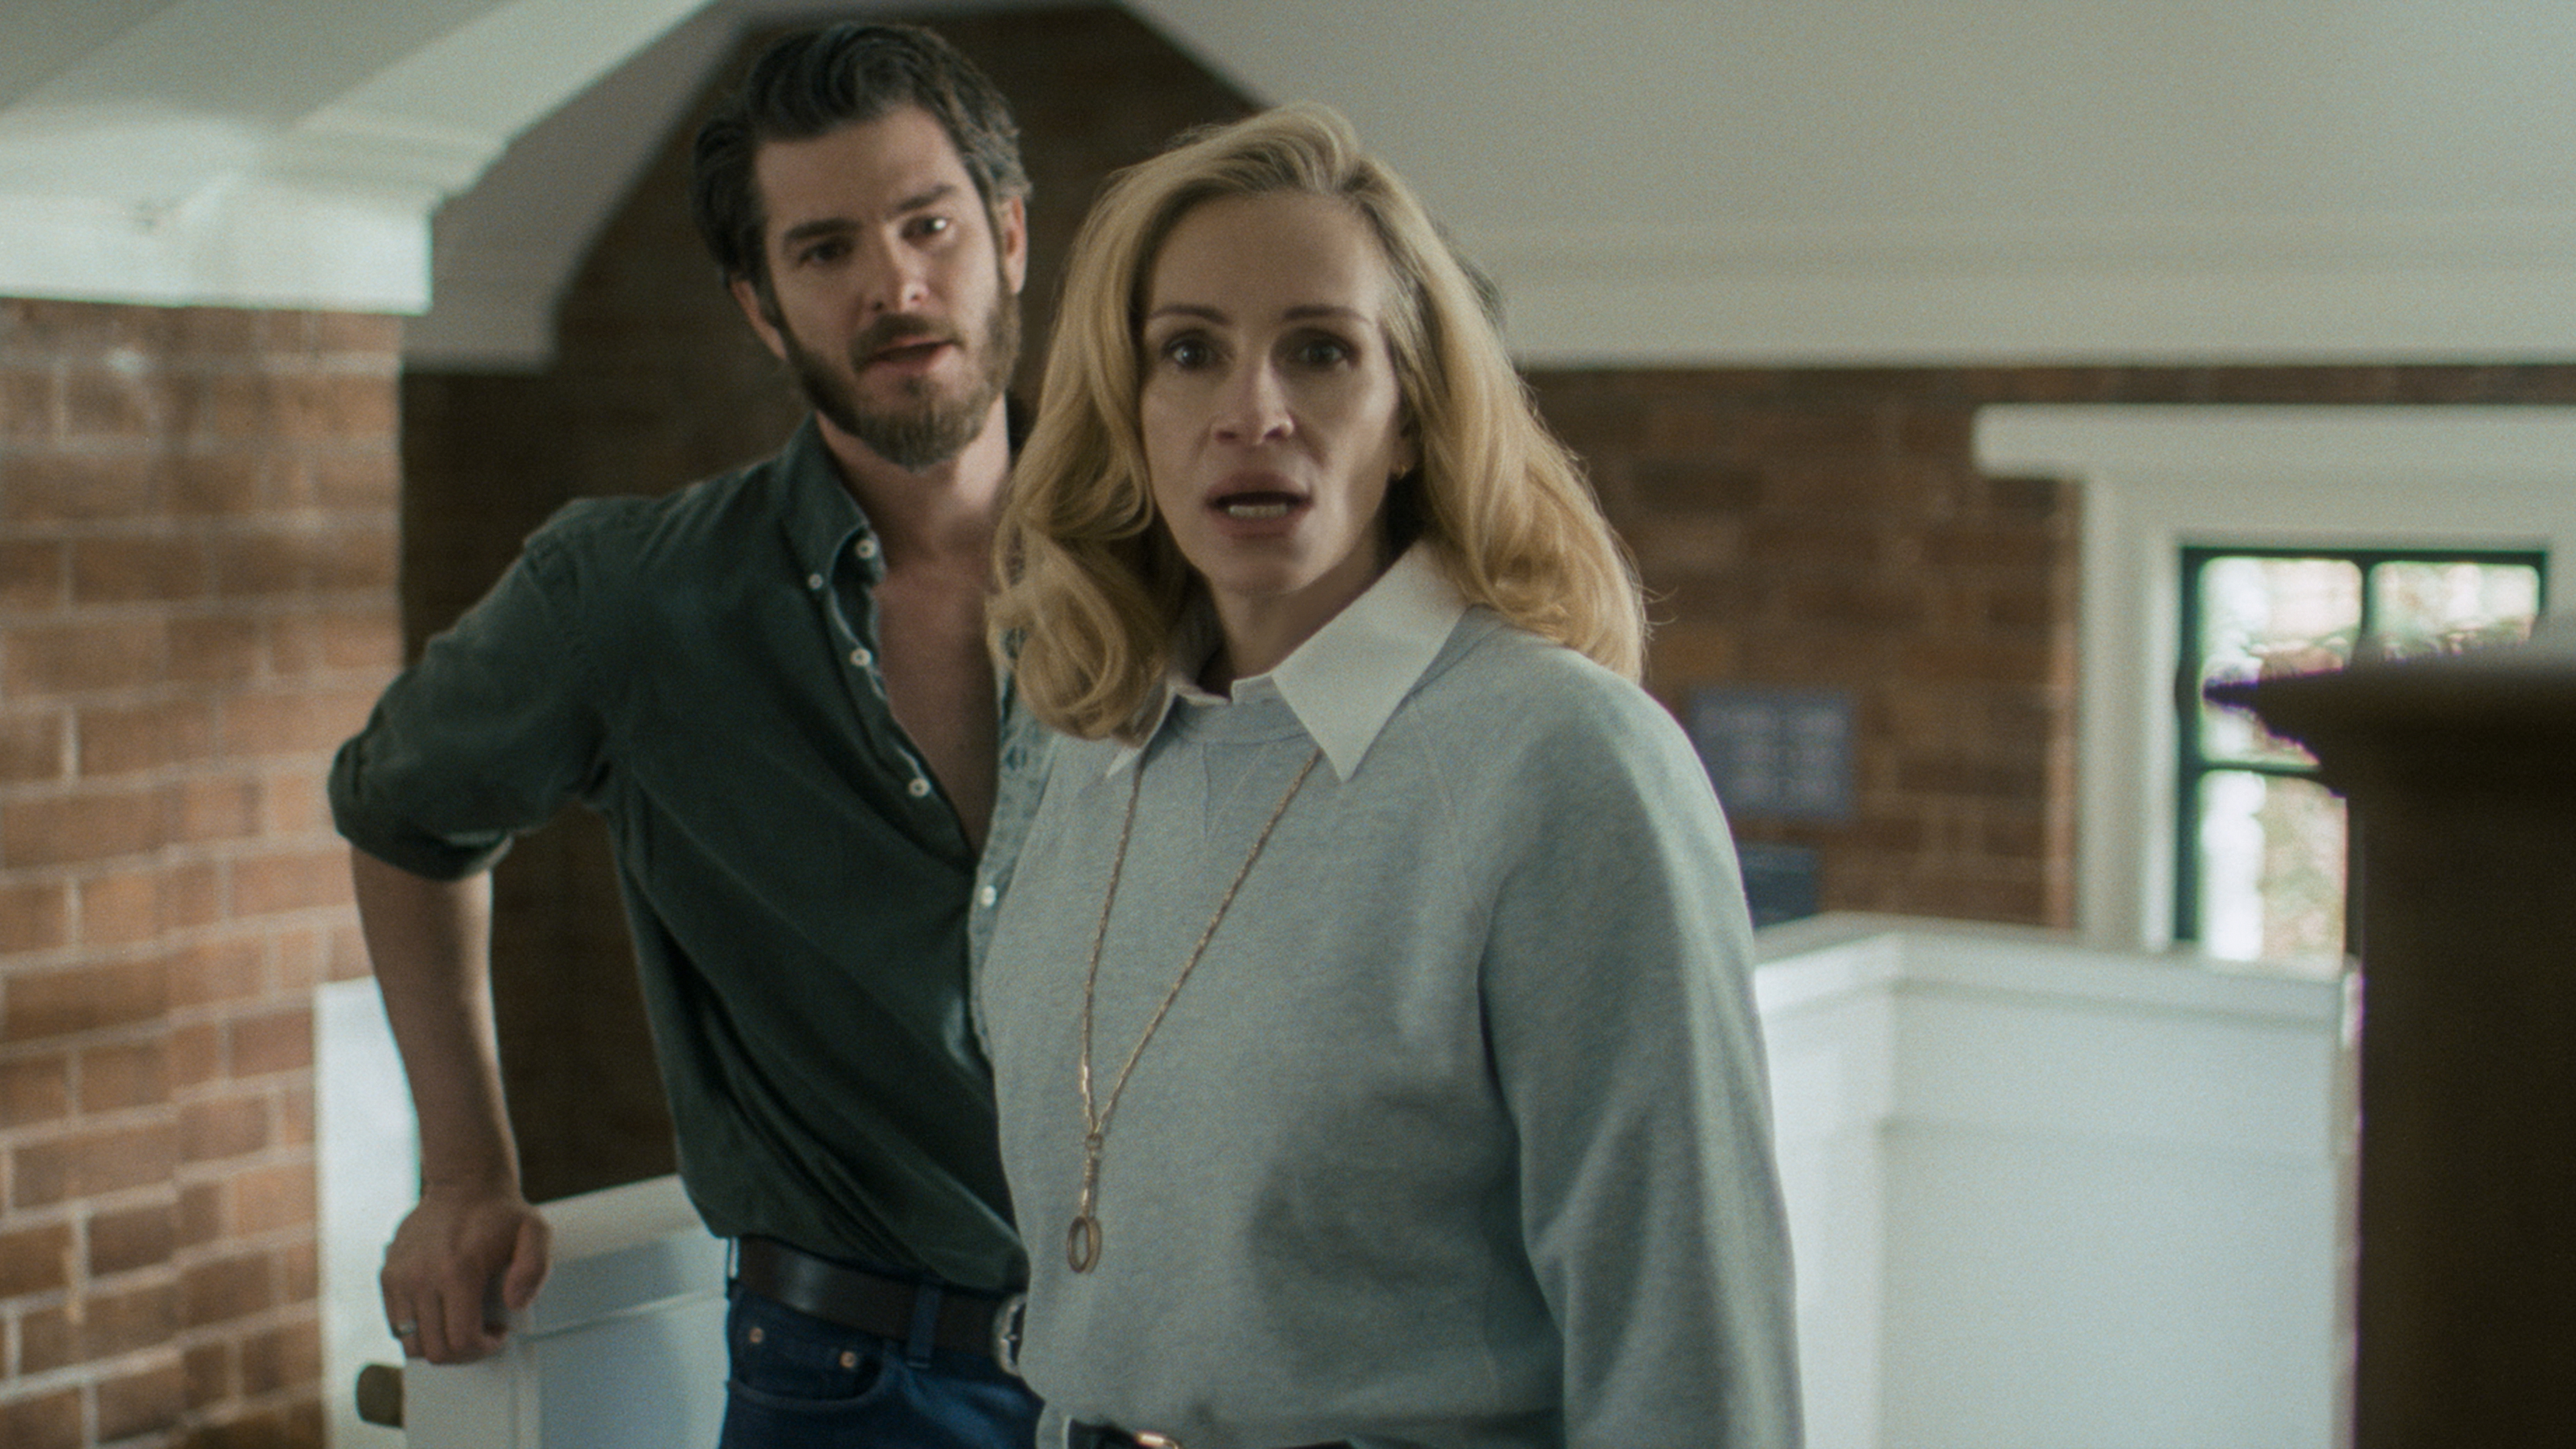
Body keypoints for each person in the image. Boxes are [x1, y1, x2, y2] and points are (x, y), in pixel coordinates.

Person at [975, 104, 1803, 1449]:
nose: (1252, 412)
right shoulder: (1085, 747)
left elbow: (1685, 1337)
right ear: (1130, 415)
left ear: (1409, 415)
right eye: (1189, 352)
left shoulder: (1562, 762)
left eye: (1319, 352)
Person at [330, 22, 1046, 1448]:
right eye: (825, 249)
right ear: (761, 306)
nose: (895, 285)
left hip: (1195, 1367)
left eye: (928, 225)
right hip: (851, 1384)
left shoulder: (1180, 576)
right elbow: (403, 811)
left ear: (1008, 236)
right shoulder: (634, 596)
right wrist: (466, 1163)